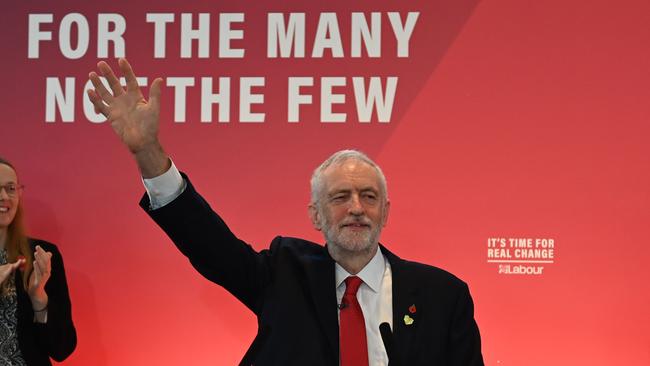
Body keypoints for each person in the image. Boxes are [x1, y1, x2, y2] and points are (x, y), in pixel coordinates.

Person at [88, 59, 484, 366]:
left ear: (386, 212)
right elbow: (208, 243)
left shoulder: (443, 296)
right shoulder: (285, 273)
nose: (357, 208)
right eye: (340, 197)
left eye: (369, 196)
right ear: (315, 215)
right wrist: (148, 154)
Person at [0, 158, 77, 365]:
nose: (4, 197)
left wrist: (39, 298)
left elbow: (62, 348)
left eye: (11, 188)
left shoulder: (41, 255)